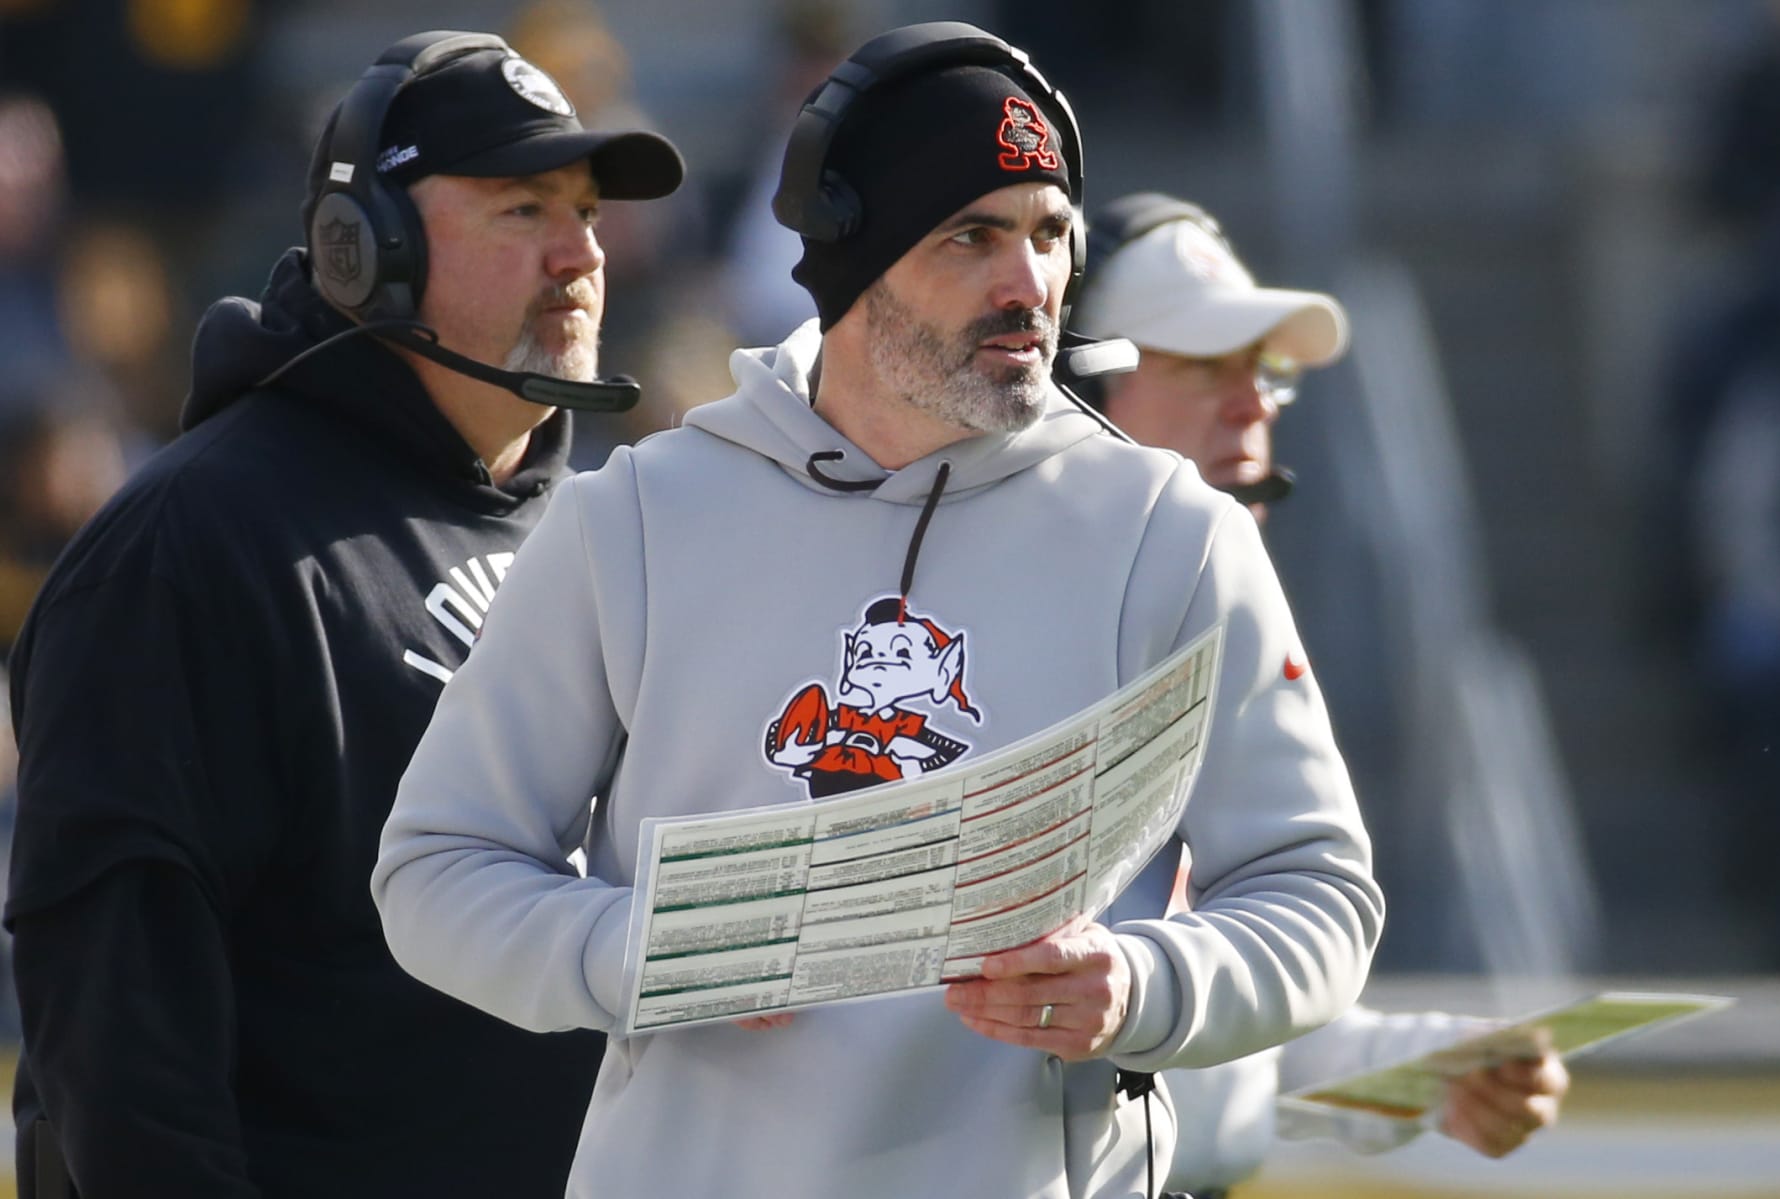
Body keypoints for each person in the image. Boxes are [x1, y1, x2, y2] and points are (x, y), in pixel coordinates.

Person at [374, 22, 1382, 1199]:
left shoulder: (1172, 530)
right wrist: (644, 950)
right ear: (855, 259)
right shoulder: (635, 517)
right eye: (974, 237)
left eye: (1051, 235)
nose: (1032, 285)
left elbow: (1319, 890)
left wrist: (1146, 983)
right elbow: (436, 873)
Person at [3, 31, 684, 1198]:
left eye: (585, 211)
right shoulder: (195, 545)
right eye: (523, 209)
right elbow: (116, 1034)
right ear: (361, 248)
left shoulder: (602, 538)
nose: (582, 252)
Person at [1071, 191, 1570, 1194]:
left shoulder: (1211, 629)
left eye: (1267, 369)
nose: (1253, 402)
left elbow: (1182, 1024)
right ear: (1076, 385)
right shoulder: (974, 643)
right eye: (1204, 363)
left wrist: (1418, 1068)